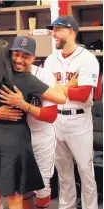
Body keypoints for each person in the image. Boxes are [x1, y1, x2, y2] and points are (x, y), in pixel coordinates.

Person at [0, 37, 67, 209]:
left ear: (34, 57)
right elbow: (62, 98)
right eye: (15, 54)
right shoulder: (24, 78)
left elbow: (51, 115)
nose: (19, 59)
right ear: (8, 55)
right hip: (16, 140)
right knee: (16, 196)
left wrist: (21, 104)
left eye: (25, 56)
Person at [45, 15, 99, 209]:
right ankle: (66, 206)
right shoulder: (51, 60)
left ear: (70, 31)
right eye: (53, 30)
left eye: (57, 29)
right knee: (63, 171)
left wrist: (60, 88)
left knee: (85, 170)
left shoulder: (88, 59)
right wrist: (69, 86)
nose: (53, 34)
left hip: (79, 120)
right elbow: (47, 92)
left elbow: (84, 95)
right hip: (56, 120)